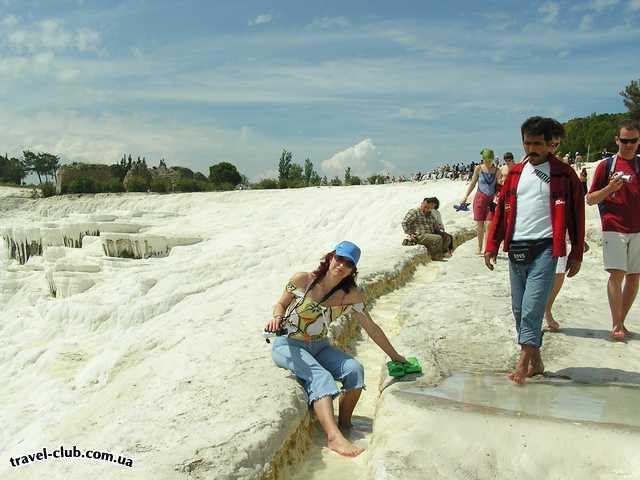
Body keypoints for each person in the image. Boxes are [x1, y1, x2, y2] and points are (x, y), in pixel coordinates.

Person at [266, 241, 406, 457]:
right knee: (320, 377)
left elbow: (371, 327)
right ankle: (333, 438)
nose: (341, 265)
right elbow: (281, 304)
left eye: (348, 263)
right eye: (339, 259)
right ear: (330, 257)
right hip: (289, 344)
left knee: (354, 370)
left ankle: (345, 424)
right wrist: (277, 318)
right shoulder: (303, 280)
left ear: (353, 270)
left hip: (320, 345)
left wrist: (395, 356)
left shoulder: (350, 295)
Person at [485, 116, 585, 385]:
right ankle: (537, 361)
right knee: (518, 308)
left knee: (531, 308)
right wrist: (491, 245)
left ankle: (522, 364)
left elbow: (576, 214)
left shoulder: (564, 174)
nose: (532, 149)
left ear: (549, 144)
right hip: (517, 248)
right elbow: (501, 213)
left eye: (538, 144)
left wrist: (576, 252)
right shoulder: (515, 173)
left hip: (545, 248)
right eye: (527, 143)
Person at [585, 119, 640, 341]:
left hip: (637, 229)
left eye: (633, 141)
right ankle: (616, 324)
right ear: (617, 140)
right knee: (616, 274)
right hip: (613, 227)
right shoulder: (606, 166)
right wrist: (610, 188)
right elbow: (589, 199)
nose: (628, 145)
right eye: (624, 140)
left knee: (634, 277)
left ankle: (621, 321)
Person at [544, 119, 572, 332]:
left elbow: (573, 205)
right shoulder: (523, 170)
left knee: (559, 273)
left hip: (558, 231)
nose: (552, 149)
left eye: (556, 145)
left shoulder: (564, 170)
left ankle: (547, 309)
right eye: (549, 143)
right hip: (534, 234)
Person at [460, 148, 502, 255]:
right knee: (480, 224)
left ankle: (487, 248)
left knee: (489, 224)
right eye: (486, 160)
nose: (488, 162)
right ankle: (479, 247)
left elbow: (499, 185)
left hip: (491, 200)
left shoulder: (497, 170)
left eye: (490, 160)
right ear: (482, 159)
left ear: (493, 159)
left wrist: (500, 189)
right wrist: (465, 196)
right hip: (479, 198)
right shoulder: (478, 168)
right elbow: (473, 183)